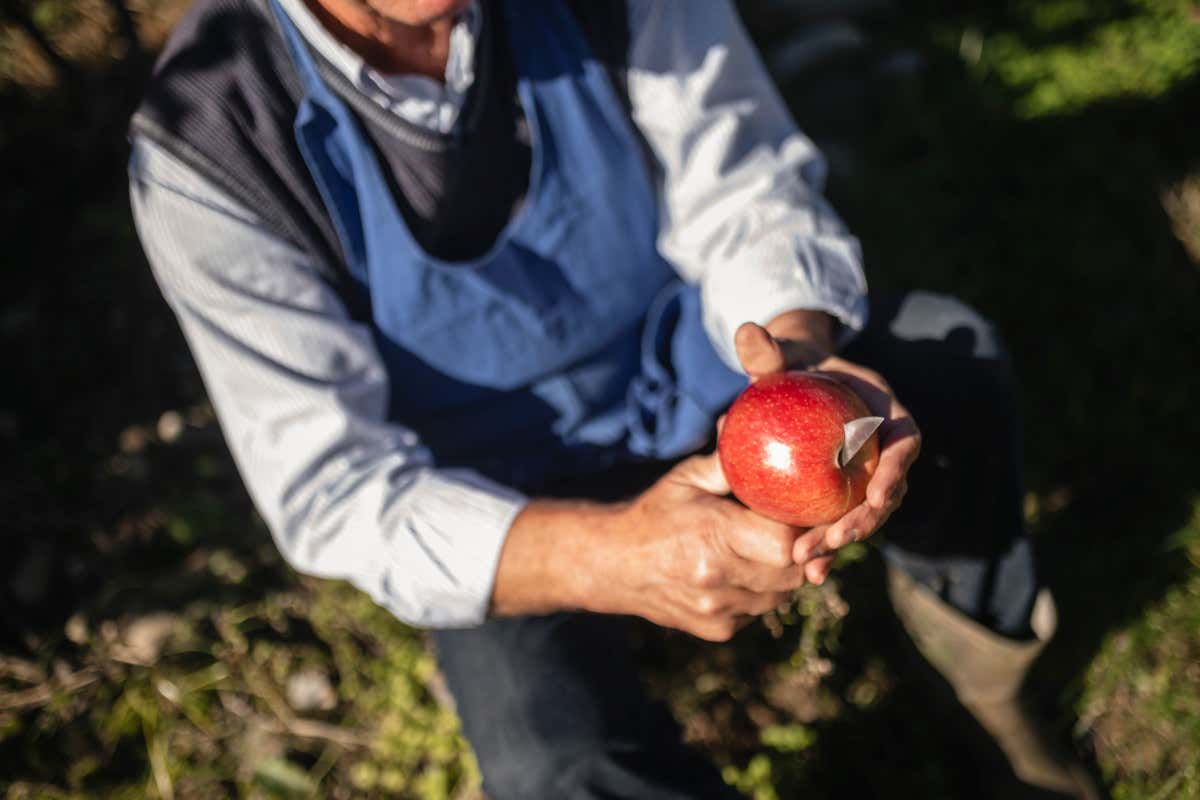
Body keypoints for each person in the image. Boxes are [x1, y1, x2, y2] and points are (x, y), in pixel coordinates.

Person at [128, 0, 1099, 796]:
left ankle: (988, 686)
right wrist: (610, 554)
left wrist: (800, 365)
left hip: (692, 374)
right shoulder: (209, 143)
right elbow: (334, 487)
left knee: (945, 359)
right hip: (496, 497)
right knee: (559, 766)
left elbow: (747, 194)